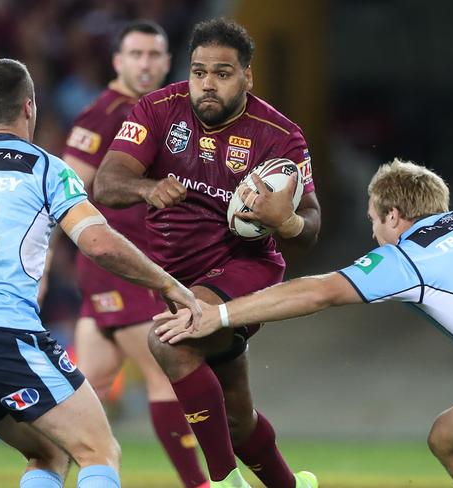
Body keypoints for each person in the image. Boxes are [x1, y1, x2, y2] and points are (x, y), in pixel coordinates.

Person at [155, 158, 453, 488]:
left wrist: (220, 314)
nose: (375, 233)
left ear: (393, 216)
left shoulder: (407, 256)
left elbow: (318, 291)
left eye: (374, 221)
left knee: (448, 441)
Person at [0, 58, 200, 488]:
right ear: (30, 107)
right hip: (4, 334)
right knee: (99, 450)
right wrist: (167, 283)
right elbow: (99, 244)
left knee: (48, 452)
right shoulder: (45, 169)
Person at [94, 18, 321, 488]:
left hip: (246, 268)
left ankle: (222, 483)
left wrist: (287, 220)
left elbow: (311, 228)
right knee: (237, 418)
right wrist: (147, 186)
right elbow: (106, 184)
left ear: (247, 77)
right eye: (199, 72)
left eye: (222, 73)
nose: (207, 85)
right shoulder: (158, 110)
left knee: (170, 340)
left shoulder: (279, 136)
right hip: (176, 277)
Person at [62, 20, 208, 488]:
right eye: (136, 55)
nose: (145, 64)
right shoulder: (106, 113)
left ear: (167, 63)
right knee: (165, 373)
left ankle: (45, 475)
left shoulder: (157, 112)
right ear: (118, 62)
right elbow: (66, 188)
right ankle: (199, 485)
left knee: (91, 391)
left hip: (119, 268)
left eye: (154, 56)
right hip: (121, 267)